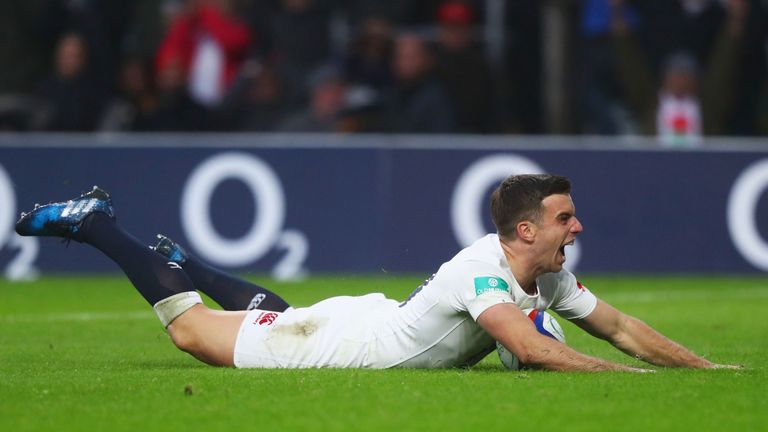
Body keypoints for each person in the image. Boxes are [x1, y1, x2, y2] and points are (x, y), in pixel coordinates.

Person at [15, 175, 739, 370]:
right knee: (195, 336)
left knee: (276, 315)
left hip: (369, 322)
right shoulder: (485, 274)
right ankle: (95, 223)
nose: (576, 228)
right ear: (526, 230)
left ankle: (184, 262)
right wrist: (627, 383)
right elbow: (531, 348)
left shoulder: (541, 274)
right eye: (564, 219)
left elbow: (619, 328)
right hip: (350, 343)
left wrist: (703, 370)